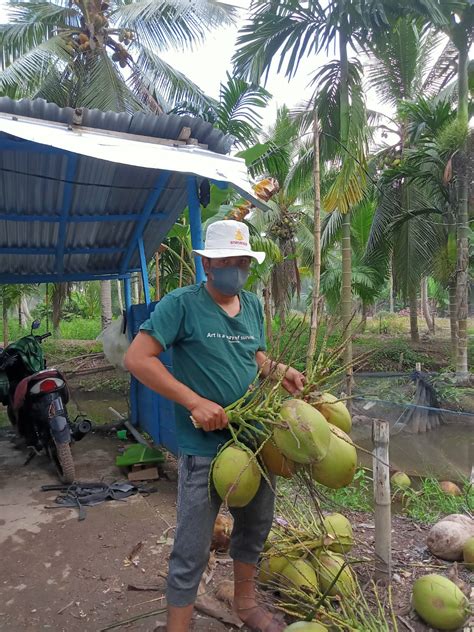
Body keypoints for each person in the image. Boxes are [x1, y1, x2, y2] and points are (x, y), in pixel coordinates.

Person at [124, 219, 304, 632]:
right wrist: (194, 401)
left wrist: (281, 371)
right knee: (191, 545)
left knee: (254, 528)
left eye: (242, 262)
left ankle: (246, 604)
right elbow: (137, 359)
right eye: (227, 261)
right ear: (208, 265)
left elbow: (253, 358)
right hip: (204, 446)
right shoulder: (181, 304)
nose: (236, 270)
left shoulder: (253, 305)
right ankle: (179, 627)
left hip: (253, 442)